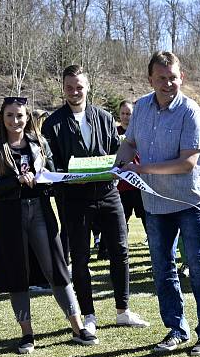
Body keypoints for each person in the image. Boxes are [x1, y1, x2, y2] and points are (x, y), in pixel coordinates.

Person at [114, 51, 200, 354]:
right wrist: (119, 162)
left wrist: (140, 168)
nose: (168, 83)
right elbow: (131, 142)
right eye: (161, 78)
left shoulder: (190, 111)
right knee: (162, 268)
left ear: (181, 77)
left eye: (173, 77)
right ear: (150, 79)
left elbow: (187, 163)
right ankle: (177, 330)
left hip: (190, 200)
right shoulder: (142, 108)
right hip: (155, 204)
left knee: (199, 265)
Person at [0, 97, 98, 352]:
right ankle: (27, 334)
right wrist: (16, 181)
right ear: (2, 118)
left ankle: (78, 328)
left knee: (56, 268)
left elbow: (54, 179)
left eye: (20, 115)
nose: (15, 121)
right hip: (9, 215)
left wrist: (42, 180)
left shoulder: (39, 143)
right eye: (10, 115)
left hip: (41, 212)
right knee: (17, 273)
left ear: (27, 117)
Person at [42, 66, 148, 335]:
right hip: (74, 199)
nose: (74, 92)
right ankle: (88, 315)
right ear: (63, 88)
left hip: (107, 193)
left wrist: (118, 168)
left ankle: (123, 310)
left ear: (88, 87)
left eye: (79, 87)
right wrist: (64, 182)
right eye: (69, 87)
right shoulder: (52, 123)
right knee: (80, 258)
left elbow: (117, 151)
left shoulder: (103, 117)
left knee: (120, 251)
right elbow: (50, 162)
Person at [116, 100, 147, 238]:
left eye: (128, 113)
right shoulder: (113, 133)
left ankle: (154, 247)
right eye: (123, 113)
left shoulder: (142, 131)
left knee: (147, 218)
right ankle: (107, 250)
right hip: (121, 185)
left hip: (139, 183)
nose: (125, 116)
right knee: (119, 220)